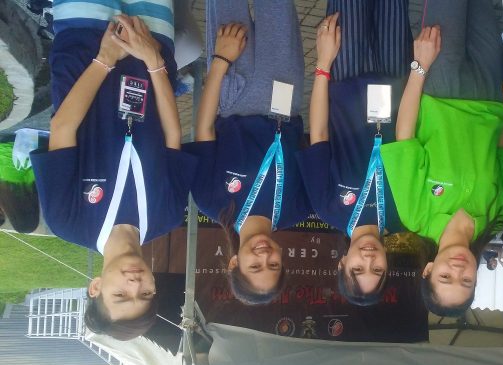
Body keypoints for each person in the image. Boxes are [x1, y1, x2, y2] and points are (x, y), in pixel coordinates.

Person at [31, 1, 195, 340]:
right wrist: (154, 62)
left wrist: (105, 58)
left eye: (120, 295)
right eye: (145, 294)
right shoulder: (167, 216)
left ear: (96, 287)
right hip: (150, 46)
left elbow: (62, 127)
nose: (135, 283)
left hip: (84, 45)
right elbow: (172, 136)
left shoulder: (68, 221)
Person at [380, 0, 503, 318]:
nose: (457, 270)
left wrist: (420, 67)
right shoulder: (497, 217)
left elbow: (404, 137)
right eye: (466, 281)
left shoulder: (416, 217)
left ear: (428, 269)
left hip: (440, 85)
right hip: (489, 92)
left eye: (444, 277)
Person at [185, 0, 309, 306]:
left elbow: (204, 131)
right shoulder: (297, 208)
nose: (264, 256)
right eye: (273, 265)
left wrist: (219, 62)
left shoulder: (212, 202)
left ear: (234, 263)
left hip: (234, 89)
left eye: (255, 266)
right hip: (285, 93)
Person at [297, 0, 412, 306]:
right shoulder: (405, 214)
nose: (369, 259)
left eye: (358, 268)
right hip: (396, 78)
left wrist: (323, 65)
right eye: (377, 269)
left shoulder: (328, 208)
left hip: (346, 78)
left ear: (342, 263)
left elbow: (319, 133)